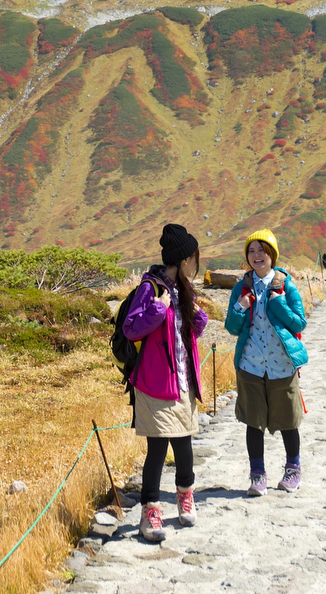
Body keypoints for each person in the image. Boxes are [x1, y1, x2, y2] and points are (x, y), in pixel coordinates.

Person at [120, 223, 208, 543]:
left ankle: (185, 495)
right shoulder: (151, 288)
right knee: (157, 449)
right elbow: (132, 329)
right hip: (155, 384)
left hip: (182, 382)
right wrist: (159, 309)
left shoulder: (183, 288)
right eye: (193, 256)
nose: (195, 262)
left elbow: (185, 337)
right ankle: (150, 510)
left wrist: (198, 318)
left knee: (184, 447)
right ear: (183, 258)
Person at [224, 228, 308, 495]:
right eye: (252, 251)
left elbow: (299, 322)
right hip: (250, 365)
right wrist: (240, 307)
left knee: (287, 421)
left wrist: (279, 303)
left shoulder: (286, 285)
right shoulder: (241, 287)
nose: (257, 255)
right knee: (253, 422)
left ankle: (293, 471)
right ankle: (257, 476)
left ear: (272, 255)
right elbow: (232, 327)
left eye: (262, 250)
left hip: (282, 365)